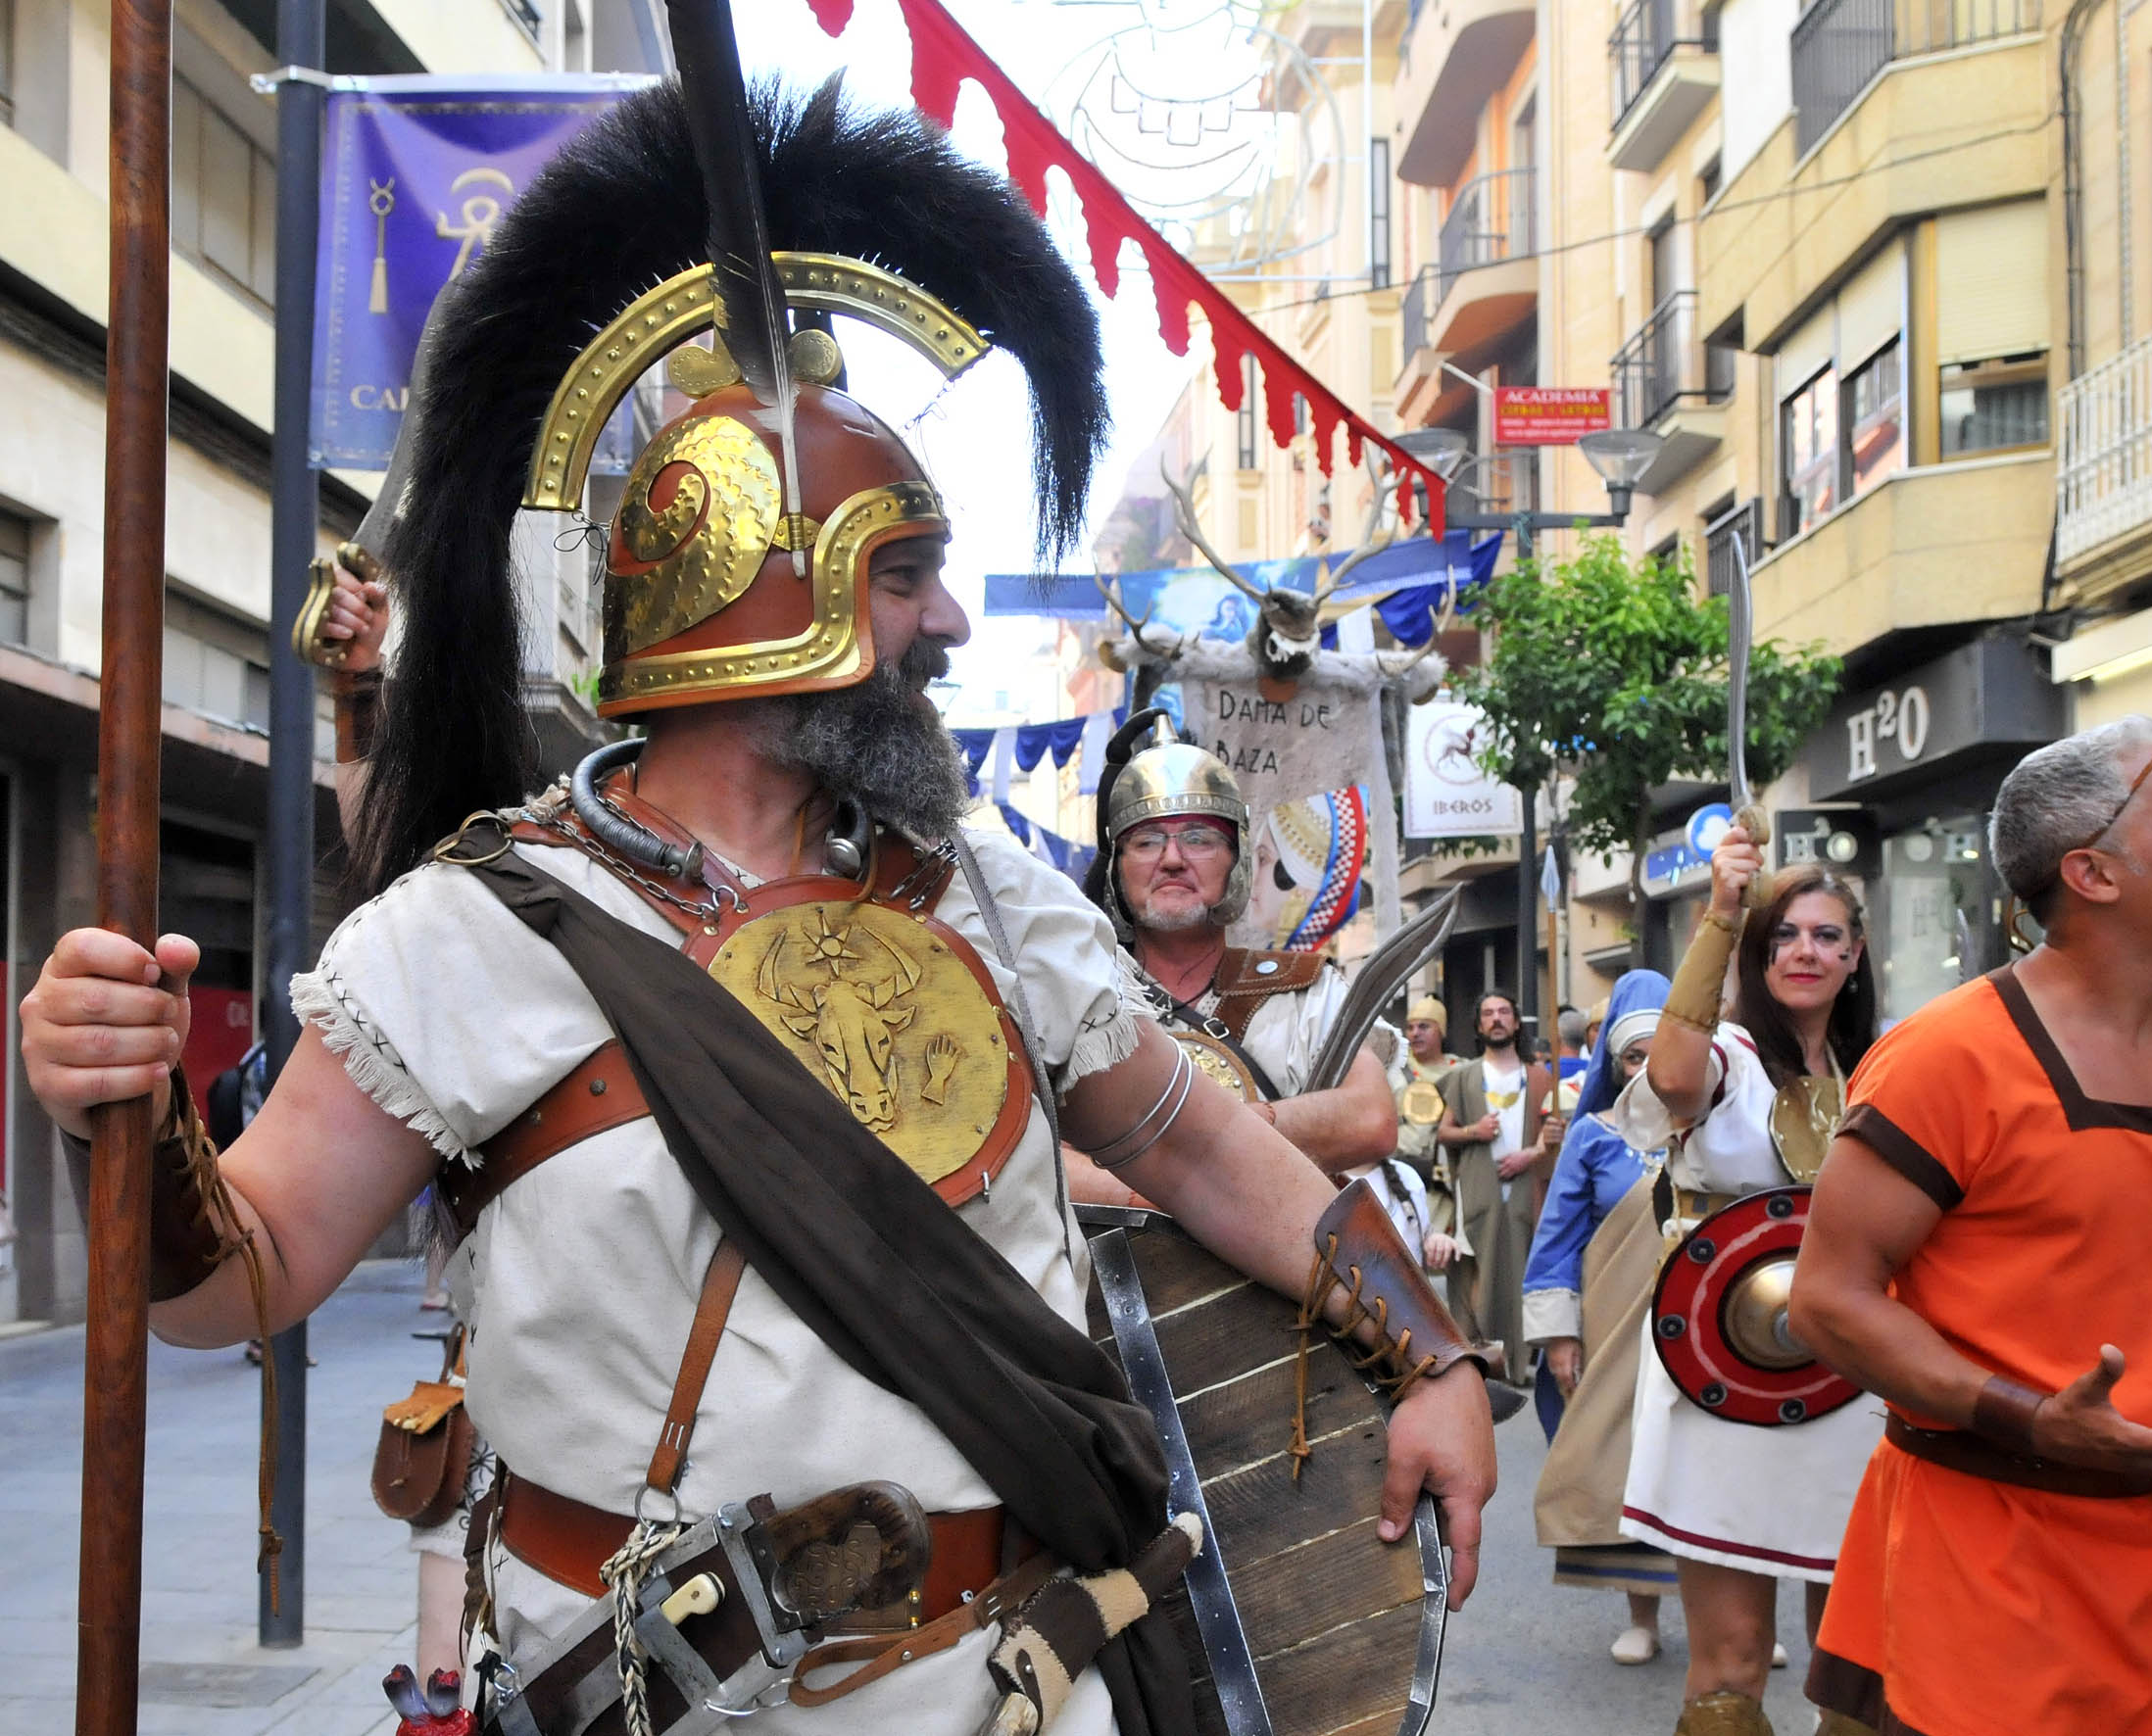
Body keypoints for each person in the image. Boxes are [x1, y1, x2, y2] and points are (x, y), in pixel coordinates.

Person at [21, 80, 1494, 1732]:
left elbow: (1202, 1148)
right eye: (900, 566)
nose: (944, 618)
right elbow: (249, 1271)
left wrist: (1434, 1352)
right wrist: (124, 1111)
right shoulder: (472, 930)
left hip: (1019, 1689)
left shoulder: (989, 896)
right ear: (756, 589)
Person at [1789, 717, 2152, 1736]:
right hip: (1969, 1575)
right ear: (2093, 872)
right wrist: (2030, 1418)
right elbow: (1827, 1300)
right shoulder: (1946, 1055)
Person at [1620, 860, 1887, 1731]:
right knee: (1730, 1666)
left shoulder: (1887, 1068)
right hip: (1723, 1371)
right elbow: (1668, 1082)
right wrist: (1720, 918)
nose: (1803, 951)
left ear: (1855, 953)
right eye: (1782, 936)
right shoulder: (1725, 1057)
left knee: (1861, 1665)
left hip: (1853, 1374)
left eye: (1824, 935)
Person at [1064, 713, 1397, 1207]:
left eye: (1198, 837)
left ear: (1237, 860)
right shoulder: (1074, 994)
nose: (1173, 858)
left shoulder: (1305, 990)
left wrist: (1227, 1130)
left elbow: (1370, 1118)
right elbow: (1041, 1152)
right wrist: (1160, 1202)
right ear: (1117, 868)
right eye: (1147, 841)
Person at [1524, 969, 1677, 1666]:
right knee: (1630, 1463)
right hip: (1619, 1334)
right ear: (1615, 1066)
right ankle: (1641, 1613)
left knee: (1719, 1466)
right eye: (1632, 1057)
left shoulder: (1716, 1129)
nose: (1646, 1070)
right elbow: (1555, 1242)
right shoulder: (1591, 1136)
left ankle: (1737, 1612)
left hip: (1704, 1331)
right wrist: (1560, 1335)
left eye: (1659, 1053)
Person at [1437, 991, 1557, 1374]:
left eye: (1504, 1012)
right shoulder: (1464, 1077)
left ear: (1517, 1023)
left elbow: (1555, 1132)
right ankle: (1476, 1364)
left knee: (1523, 1270)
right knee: (1478, 1272)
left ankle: (1522, 1363)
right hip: (1479, 1190)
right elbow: (1443, 1134)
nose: (1496, 1019)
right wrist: (1475, 1130)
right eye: (1488, 1013)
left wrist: (1531, 1155)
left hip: (1526, 1191)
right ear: (1479, 1026)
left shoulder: (1538, 1077)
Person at [1394, 993, 1457, 1184]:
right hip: (1401, 1171)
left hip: (1445, 1179)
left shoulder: (1460, 1071)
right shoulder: (1393, 1071)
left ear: (1441, 1031)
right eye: (1410, 1027)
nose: (1415, 1033)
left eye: (1424, 1026)